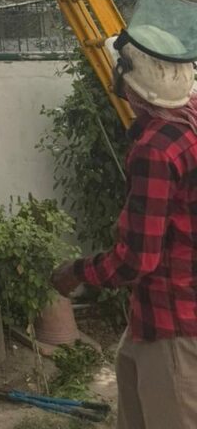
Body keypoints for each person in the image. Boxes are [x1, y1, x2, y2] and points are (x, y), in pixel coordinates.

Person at [51, 21, 197, 429]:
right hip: (153, 318)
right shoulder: (189, 118)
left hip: (173, 326)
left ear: (128, 86)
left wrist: (76, 271)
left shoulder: (157, 149)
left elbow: (137, 260)